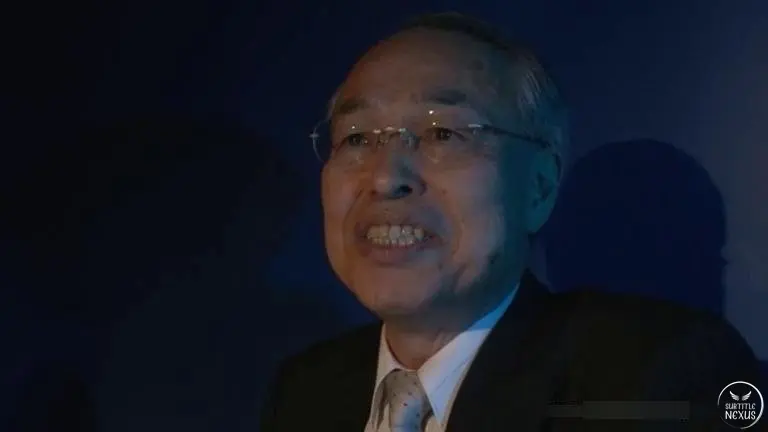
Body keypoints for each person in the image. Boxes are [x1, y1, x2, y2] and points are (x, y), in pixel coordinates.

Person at [260, 12, 762, 432]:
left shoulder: (657, 376)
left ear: (538, 186)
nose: (386, 176)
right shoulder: (307, 388)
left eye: (442, 133)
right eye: (356, 137)